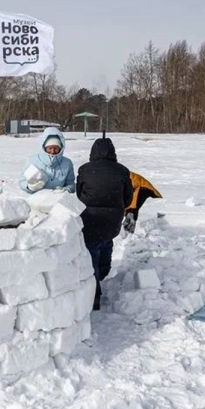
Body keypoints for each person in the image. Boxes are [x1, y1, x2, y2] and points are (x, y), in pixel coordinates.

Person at [76, 133, 133, 310]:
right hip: (112, 220)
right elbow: (129, 197)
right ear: (113, 152)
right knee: (106, 241)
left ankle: (94, 294)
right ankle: (104, 270)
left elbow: (79, 194)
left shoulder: (85, 169)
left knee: (91, 250)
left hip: (90, 218)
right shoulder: (122, 170)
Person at [19, 127, 75, 193]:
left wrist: (66, 190)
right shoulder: (32, 160)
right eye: (50, 148)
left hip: (58, 201)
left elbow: (71, 184)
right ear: (44, 147)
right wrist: (29, 187)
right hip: (36, 200)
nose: (53, 151)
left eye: (56, 148)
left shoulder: (67, 163)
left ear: (61, 148)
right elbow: (22, 181)